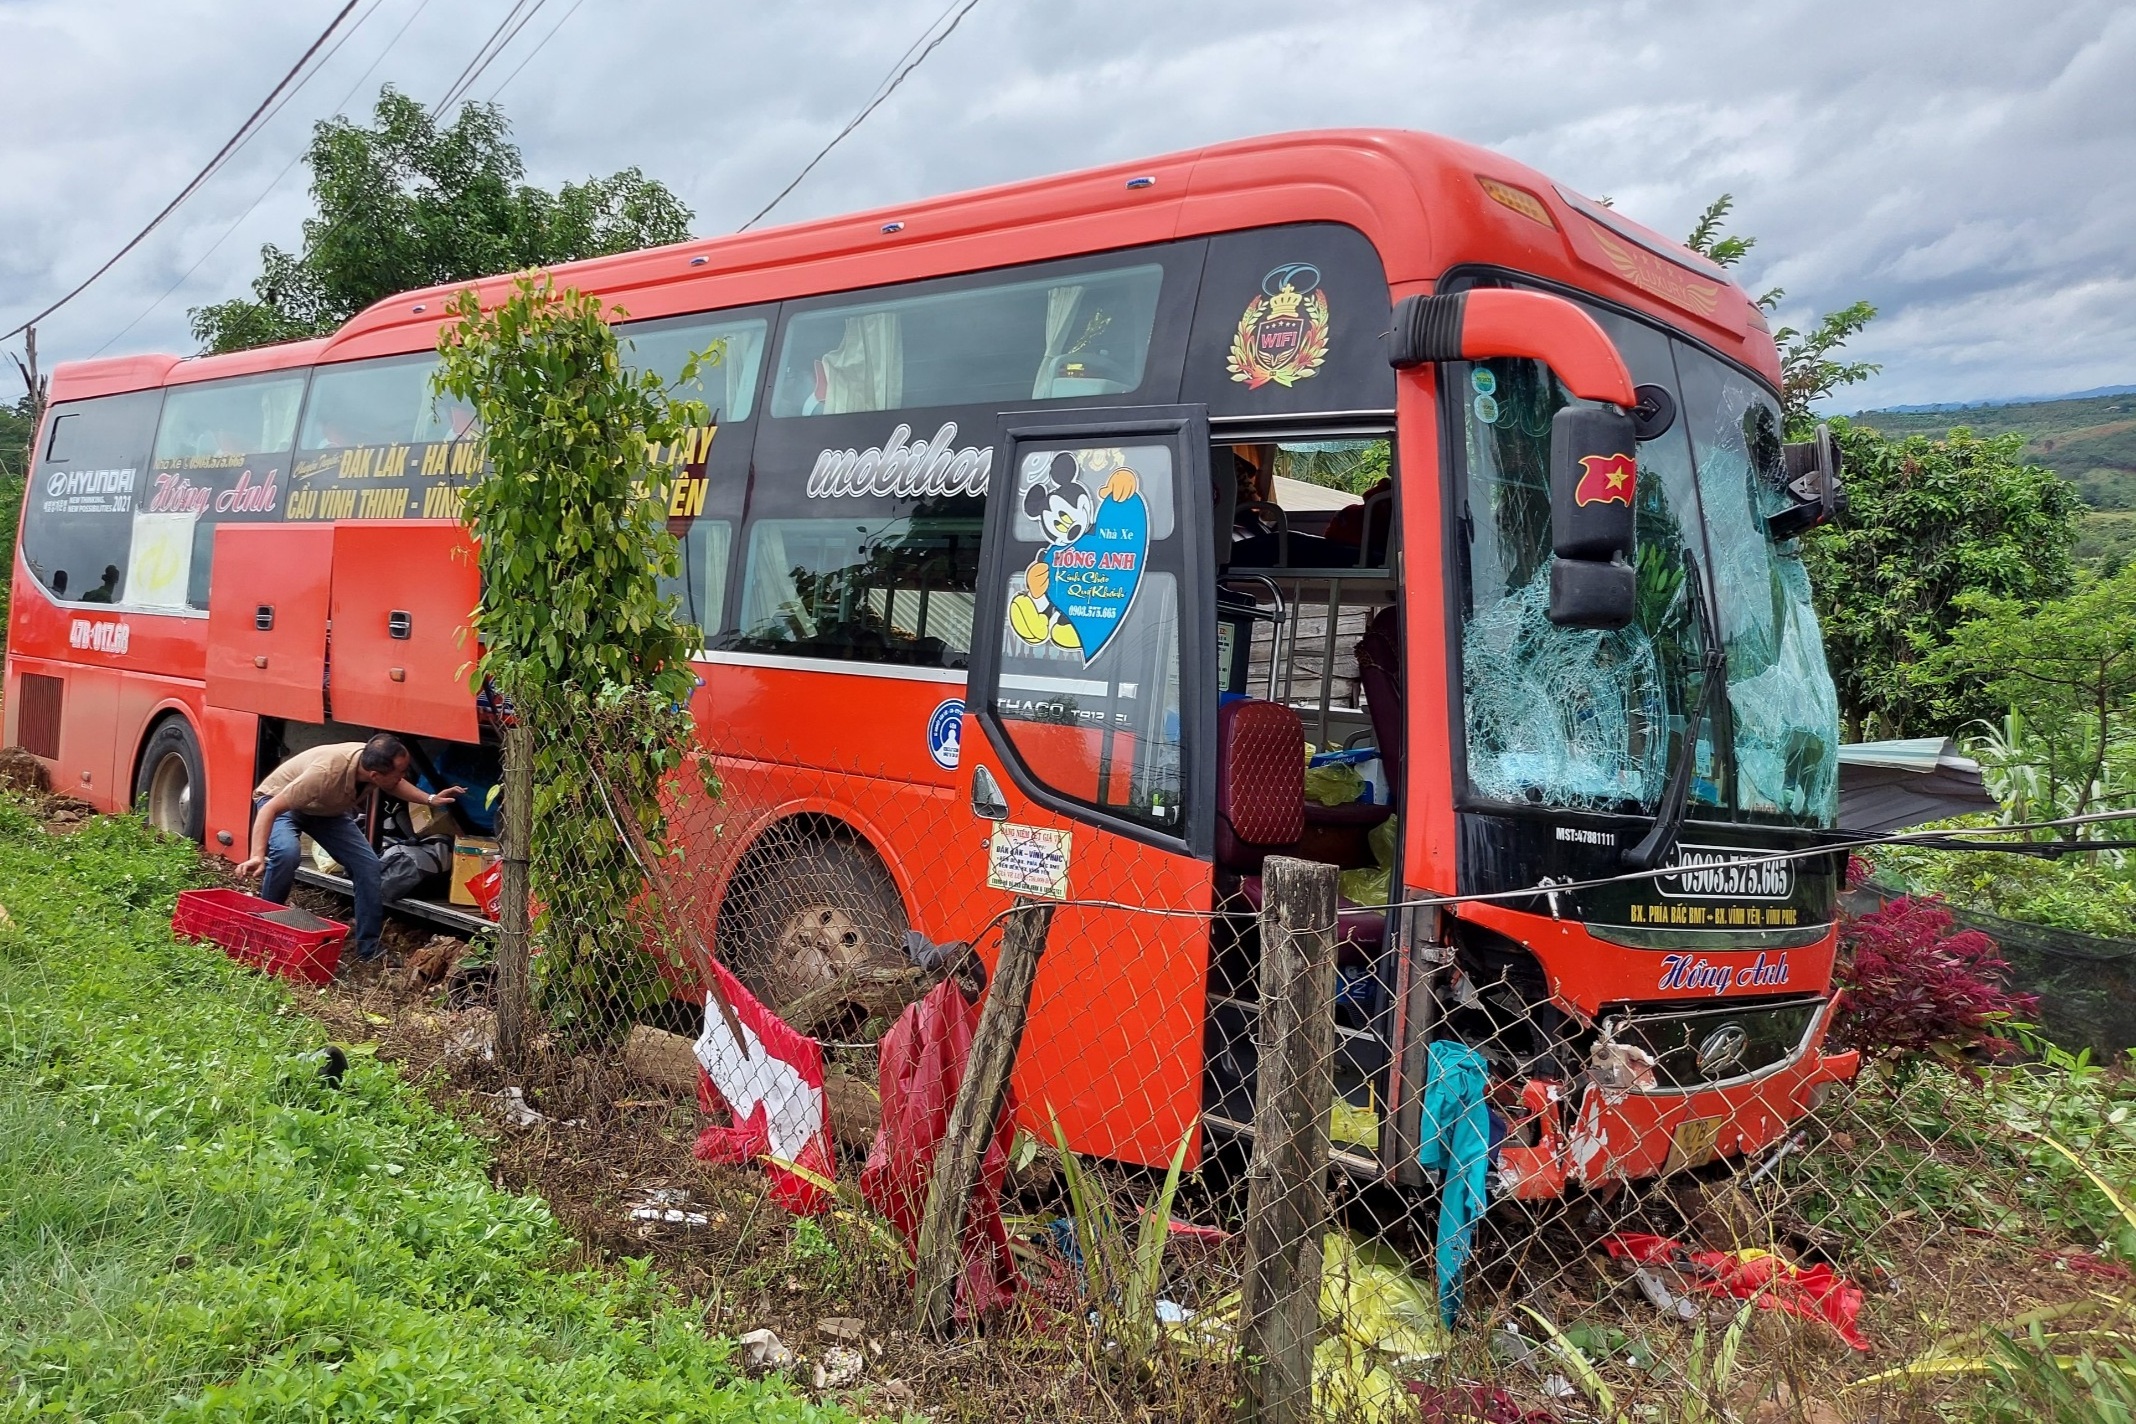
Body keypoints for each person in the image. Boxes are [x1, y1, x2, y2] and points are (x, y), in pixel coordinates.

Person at [236, 733, 464, 964]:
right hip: (280, 804)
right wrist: (257, 855)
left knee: (368, 866)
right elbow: (269, 809)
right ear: (375, 775)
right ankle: (264, 929)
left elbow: (394, 783)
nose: (404, 776)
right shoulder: (325, 773)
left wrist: (431, 799)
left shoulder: (372, 762)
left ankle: (369, 950)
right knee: (287, 853)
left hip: (324, 811)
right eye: (401, 772)